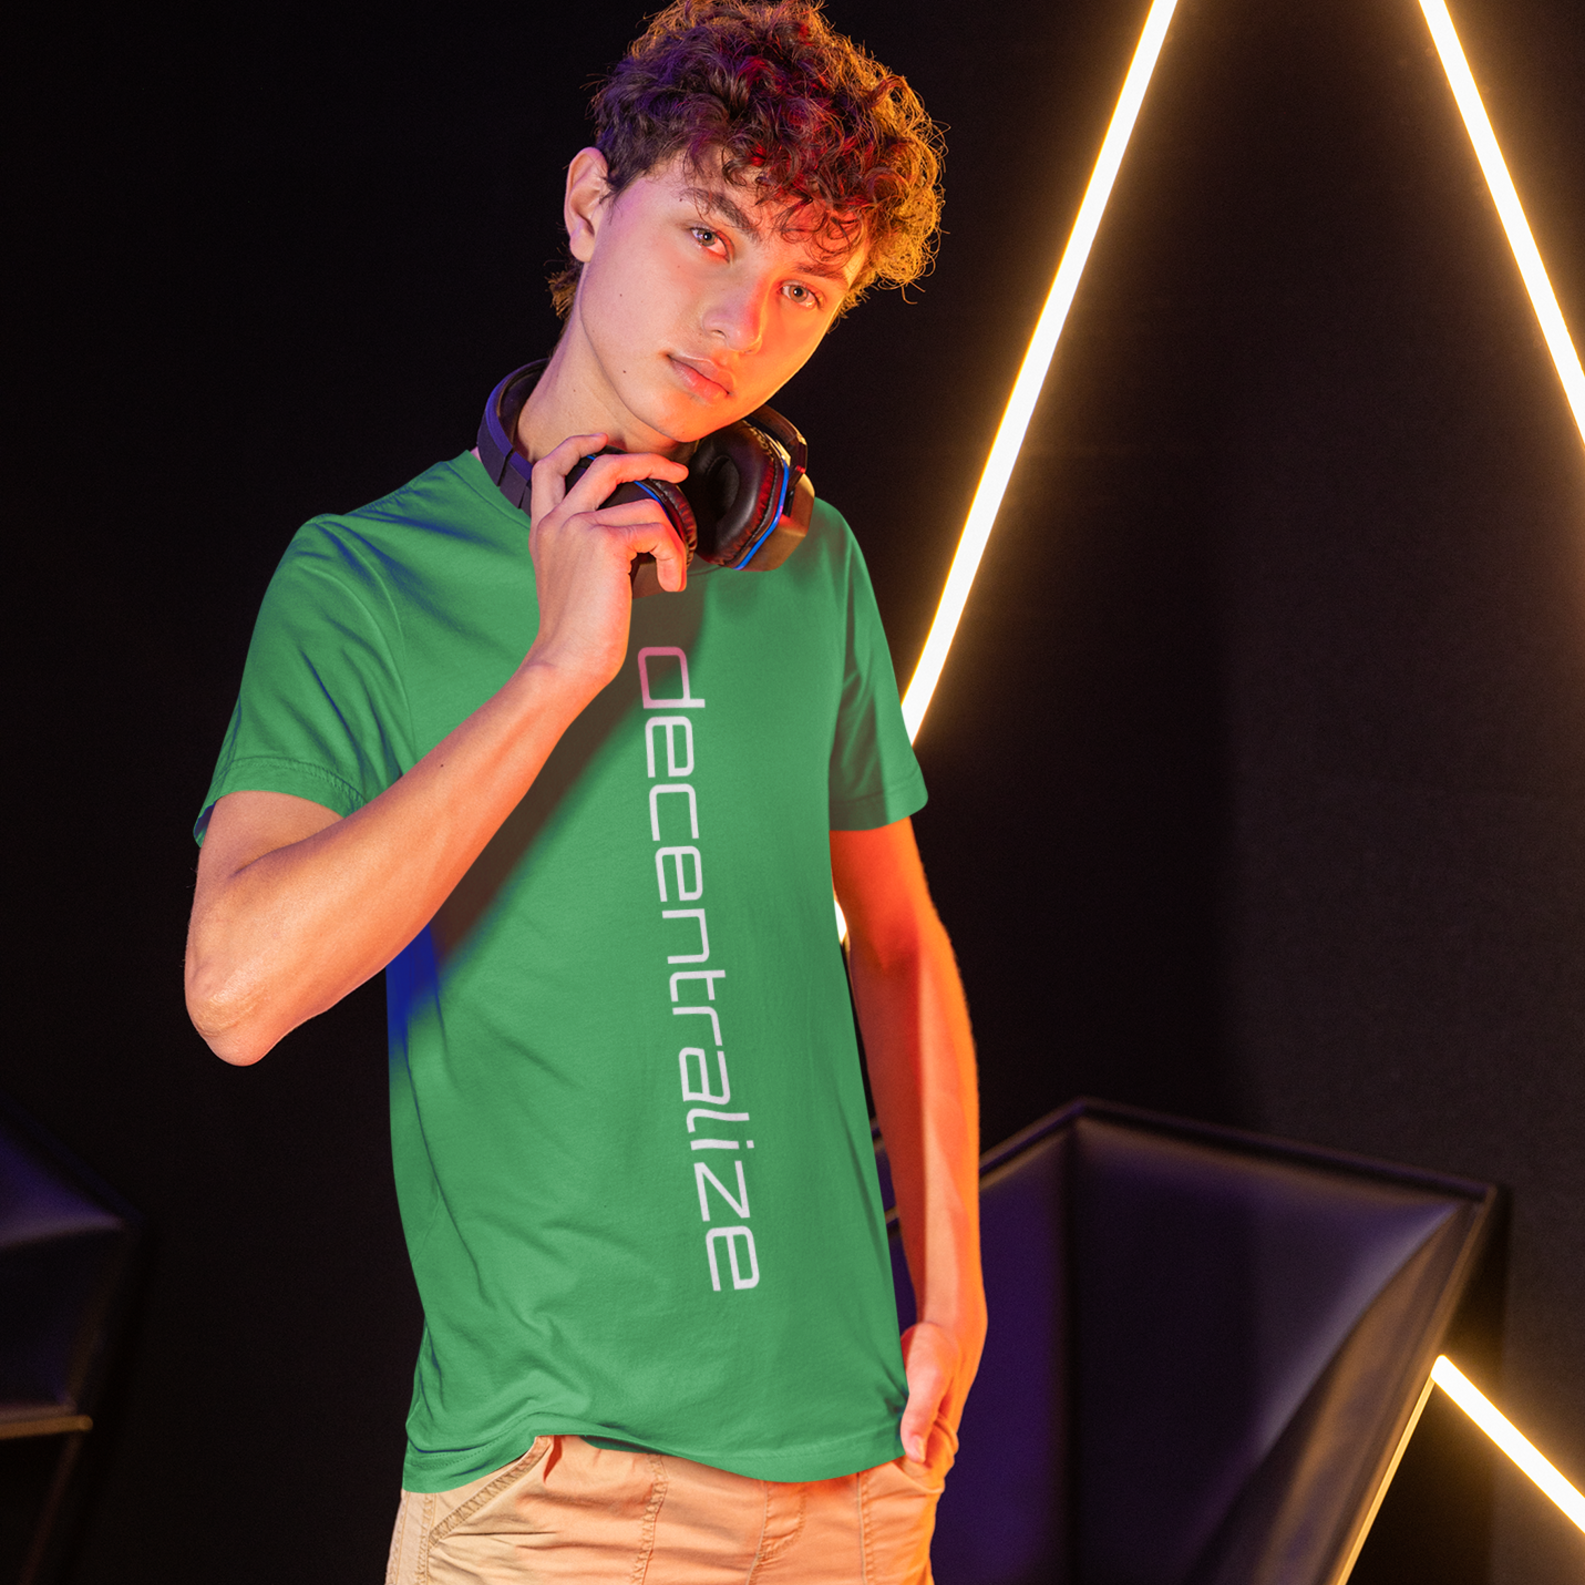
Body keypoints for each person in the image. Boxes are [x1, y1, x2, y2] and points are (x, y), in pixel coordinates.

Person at [184, 1, 984, 1578]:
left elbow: (897, 944)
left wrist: (951, 1296)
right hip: (556, 1489)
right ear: (588, 203)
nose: (742, 319)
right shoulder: (363, 580)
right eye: (709, 233)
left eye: (804, 287)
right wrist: (557, 668)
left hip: (856, 1474)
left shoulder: (810, 562)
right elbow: (236, 994)